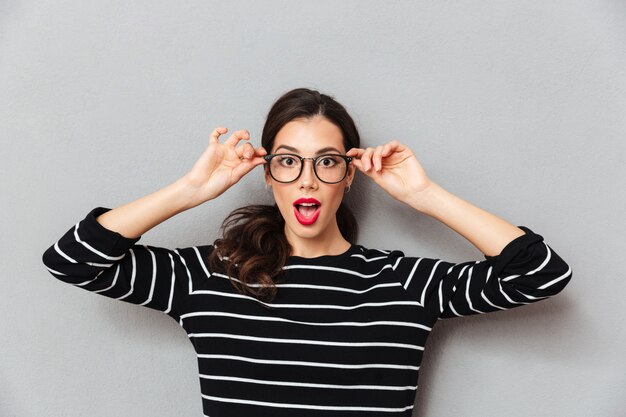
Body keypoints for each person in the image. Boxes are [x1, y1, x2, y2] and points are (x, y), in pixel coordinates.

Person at [42, 87, 572, 417]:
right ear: (268, 174)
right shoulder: (210, 275)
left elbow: (540, 274)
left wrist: (425, 196)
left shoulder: (404, 285)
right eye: (289, 162)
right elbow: (72, 259)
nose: (308, 182)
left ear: (348, 175)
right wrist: (191, 190)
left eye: (326, 163)